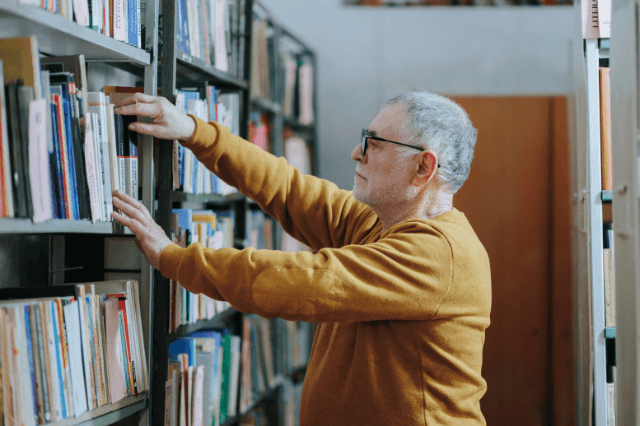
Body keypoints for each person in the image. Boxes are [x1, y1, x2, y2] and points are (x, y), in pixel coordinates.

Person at [111, 91, 491, 426]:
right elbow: (290, 190)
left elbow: (304, 282)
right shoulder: (381, 222)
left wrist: (172, 257)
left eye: (373, 142)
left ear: (423, 167)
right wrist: (196, 133)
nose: (357, 152)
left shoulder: (441, 254)